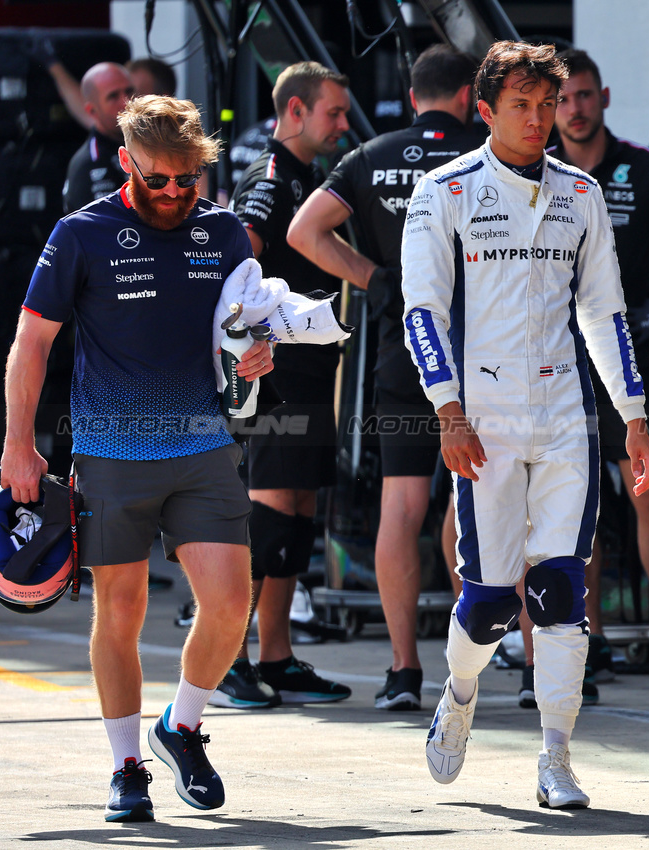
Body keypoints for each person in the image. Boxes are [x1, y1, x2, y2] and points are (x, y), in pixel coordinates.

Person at [3, 95, 272, 821]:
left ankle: (180, 727)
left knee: (228, 606)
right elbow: (31, 344)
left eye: (189, 180)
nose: (177, 194)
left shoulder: (222, 231)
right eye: (159, 180)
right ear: (126, 162)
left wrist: (254, 354)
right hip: (111, 452)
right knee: (119, 613)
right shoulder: (81, 234)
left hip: (203, 446)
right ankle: (126, 768)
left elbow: (242, 327)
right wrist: (18, 445)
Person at [404, 41, 649, 810]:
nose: (540, 119)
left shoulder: (582, 194)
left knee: (557, 591)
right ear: (484, 110)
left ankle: (556, 759)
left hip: (563, 420)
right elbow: (420, 310)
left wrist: (634, 418)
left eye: (548, 104)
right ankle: (459, 695)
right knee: (485, 604)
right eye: (522, 105)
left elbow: (605, 313)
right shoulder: (442, 191)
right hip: (482, 420)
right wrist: (447, 409)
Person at [288, 43, 485, 711]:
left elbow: (304, 231)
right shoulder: (492, 152)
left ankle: (403, 671)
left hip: (407, 351)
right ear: (468, 97)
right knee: (481, 503)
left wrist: (376, 280)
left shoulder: (372, 157)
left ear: (413, 97)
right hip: (485, 351)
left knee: (401, 509)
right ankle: (483, 662)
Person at [546, 48, 649, 683]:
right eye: (563, 99)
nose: (574, 109)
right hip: (553, 360)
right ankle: (591, 638)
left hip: (625, 356)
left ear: (603, 97)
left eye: (583, 95)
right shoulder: (532, 175)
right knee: (578, 507)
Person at [217, 62, 353, 710]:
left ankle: (277, 656)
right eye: (334, 113)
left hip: (309, 371)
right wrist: (245, 338)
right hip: (275, 379)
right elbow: (235, 260)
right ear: (294, 112)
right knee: (268, 517)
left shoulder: (306, 177)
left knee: (297, 518)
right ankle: (226, 659)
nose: (343, 124)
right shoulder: (271, 180)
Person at [62, 62, 135, 213]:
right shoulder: (91, 163)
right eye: (113, 96)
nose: (126, 102)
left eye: (129, 91)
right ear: (92, 110)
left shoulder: (147, 146)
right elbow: (107, 227)